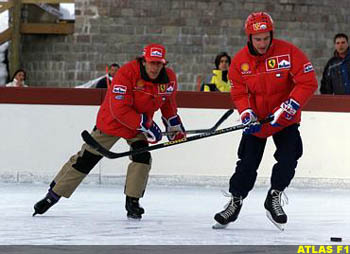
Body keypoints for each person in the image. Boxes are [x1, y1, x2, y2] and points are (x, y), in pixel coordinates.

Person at [33, 43, 186, 220]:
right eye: (151, 63)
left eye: (159, 64)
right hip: (112, 122)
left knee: (142, 158)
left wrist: (174, 125)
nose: (155, 67)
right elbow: (119, 109)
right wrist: (147, 125)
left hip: (138, 126)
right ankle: (53, 196)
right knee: (86, 159)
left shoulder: (169, 78)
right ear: (144, 61)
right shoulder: (127, 73)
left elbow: (168, 104)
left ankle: (133, 202)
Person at [213, 12, 317, 230]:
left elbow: (307, 81)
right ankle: (235, 201)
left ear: (272, 34)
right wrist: (246, 113)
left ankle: (274, 196)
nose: (262, 43)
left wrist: (291, 104)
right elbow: (239, 93)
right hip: (257, 121)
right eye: (257, 39)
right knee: (247, 163)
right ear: (249, 37)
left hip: (284, 118)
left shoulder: (288, 52)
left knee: (289, 157)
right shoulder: (239, 61)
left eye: (265, 38)